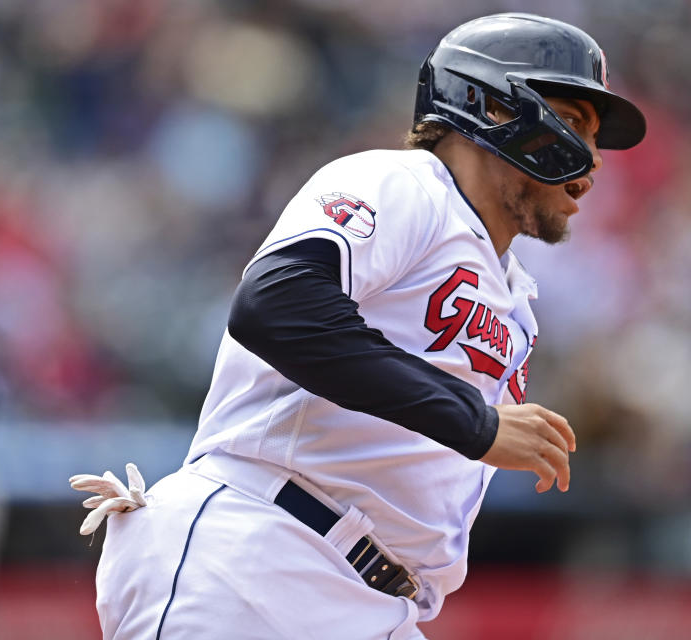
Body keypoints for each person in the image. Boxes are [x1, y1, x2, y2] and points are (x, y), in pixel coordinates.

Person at [71, 13, 646, 639]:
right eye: (574, 121)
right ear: (496, 108)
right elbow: (278, 305)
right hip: (260, 556)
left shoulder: (514, 295)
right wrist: (474, 423)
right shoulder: (403, 184)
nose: (590, 158)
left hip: (374, 600)